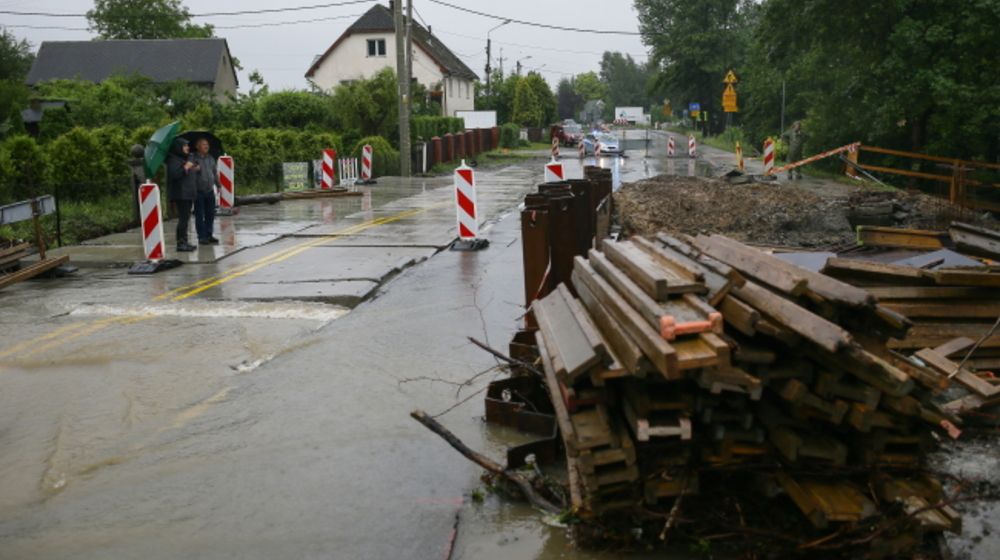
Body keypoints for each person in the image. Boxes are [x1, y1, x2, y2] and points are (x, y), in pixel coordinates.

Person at [166, 138, 197, 252]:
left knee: (186, 217)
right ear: (178, 147)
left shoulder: (183, 158)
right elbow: (175, 174)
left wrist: (193, 166)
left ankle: (185, 241)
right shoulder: (173, 160)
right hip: (181, 193)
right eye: (185, 146)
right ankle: (180, 243)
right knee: (183, 218)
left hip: (188, 192)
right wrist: (186, 168)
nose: (187, 148)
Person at [191, 138, 221, 244]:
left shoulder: (210, 158)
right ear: (197, 146)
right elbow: (188, 172)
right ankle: (201, 236)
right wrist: (194, 169)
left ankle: (209, 234)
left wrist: (218, 185)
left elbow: (214, 172)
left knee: (210, 214)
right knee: (200, 215)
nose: (206, 146)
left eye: (207, 144)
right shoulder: (193, 158)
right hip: (199, 191)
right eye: (204, 145)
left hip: (209, 191)